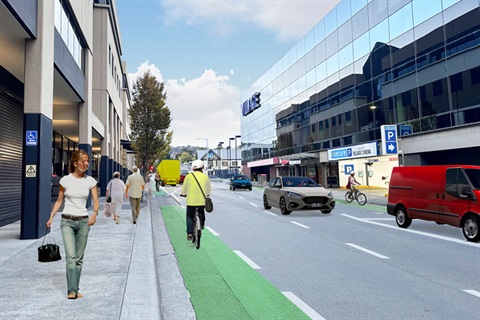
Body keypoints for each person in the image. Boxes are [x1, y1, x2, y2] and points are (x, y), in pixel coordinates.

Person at [46, 149, 99, 300]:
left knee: (79, 258)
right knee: (71, 257)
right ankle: (72, 290)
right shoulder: (65, 180)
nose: (87, 163)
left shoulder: (90, 181)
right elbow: (58, 201)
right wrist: (51, 216)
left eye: (88, 161)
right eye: (84, 161)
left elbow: (96, 203)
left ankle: (75, 288)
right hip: (67, 221)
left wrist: (95, 214)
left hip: (84, 222)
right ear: (75, 163)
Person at [180, 160, 211, 241]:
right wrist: (207, 194)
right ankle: (202, 224)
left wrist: (183, 194)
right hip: (202, 201)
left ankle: (189, 233)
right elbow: (209, 190)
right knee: (201, 211)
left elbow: (184, 189)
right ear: (202, 168)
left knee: (189, 216)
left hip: (191, 202)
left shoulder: (188, 176)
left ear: (193, 168)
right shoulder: (205, 176)